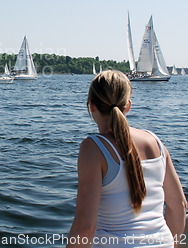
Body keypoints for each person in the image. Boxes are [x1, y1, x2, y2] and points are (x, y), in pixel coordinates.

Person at [67, 70, 186, 248]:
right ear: (128, 105)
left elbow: (85, 227)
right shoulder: (155, 142)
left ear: (91, 105)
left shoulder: (93, 148)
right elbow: (179, 205)